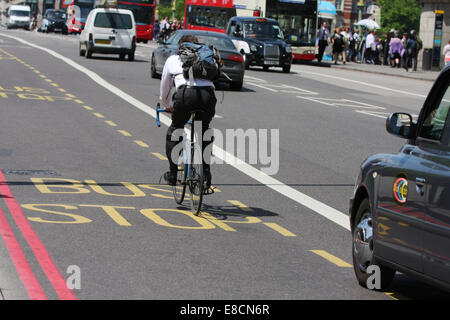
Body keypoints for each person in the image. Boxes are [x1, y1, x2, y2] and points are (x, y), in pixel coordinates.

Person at [160, 35, 217, 187]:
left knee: (175, 129)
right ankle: (205, 170)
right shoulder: (205, 58)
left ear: (180, 47)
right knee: (204, 130)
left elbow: (165, 86)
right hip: (207, 95)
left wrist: (166, 104)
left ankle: (172, 174)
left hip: (186, 95)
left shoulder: (174, 59)